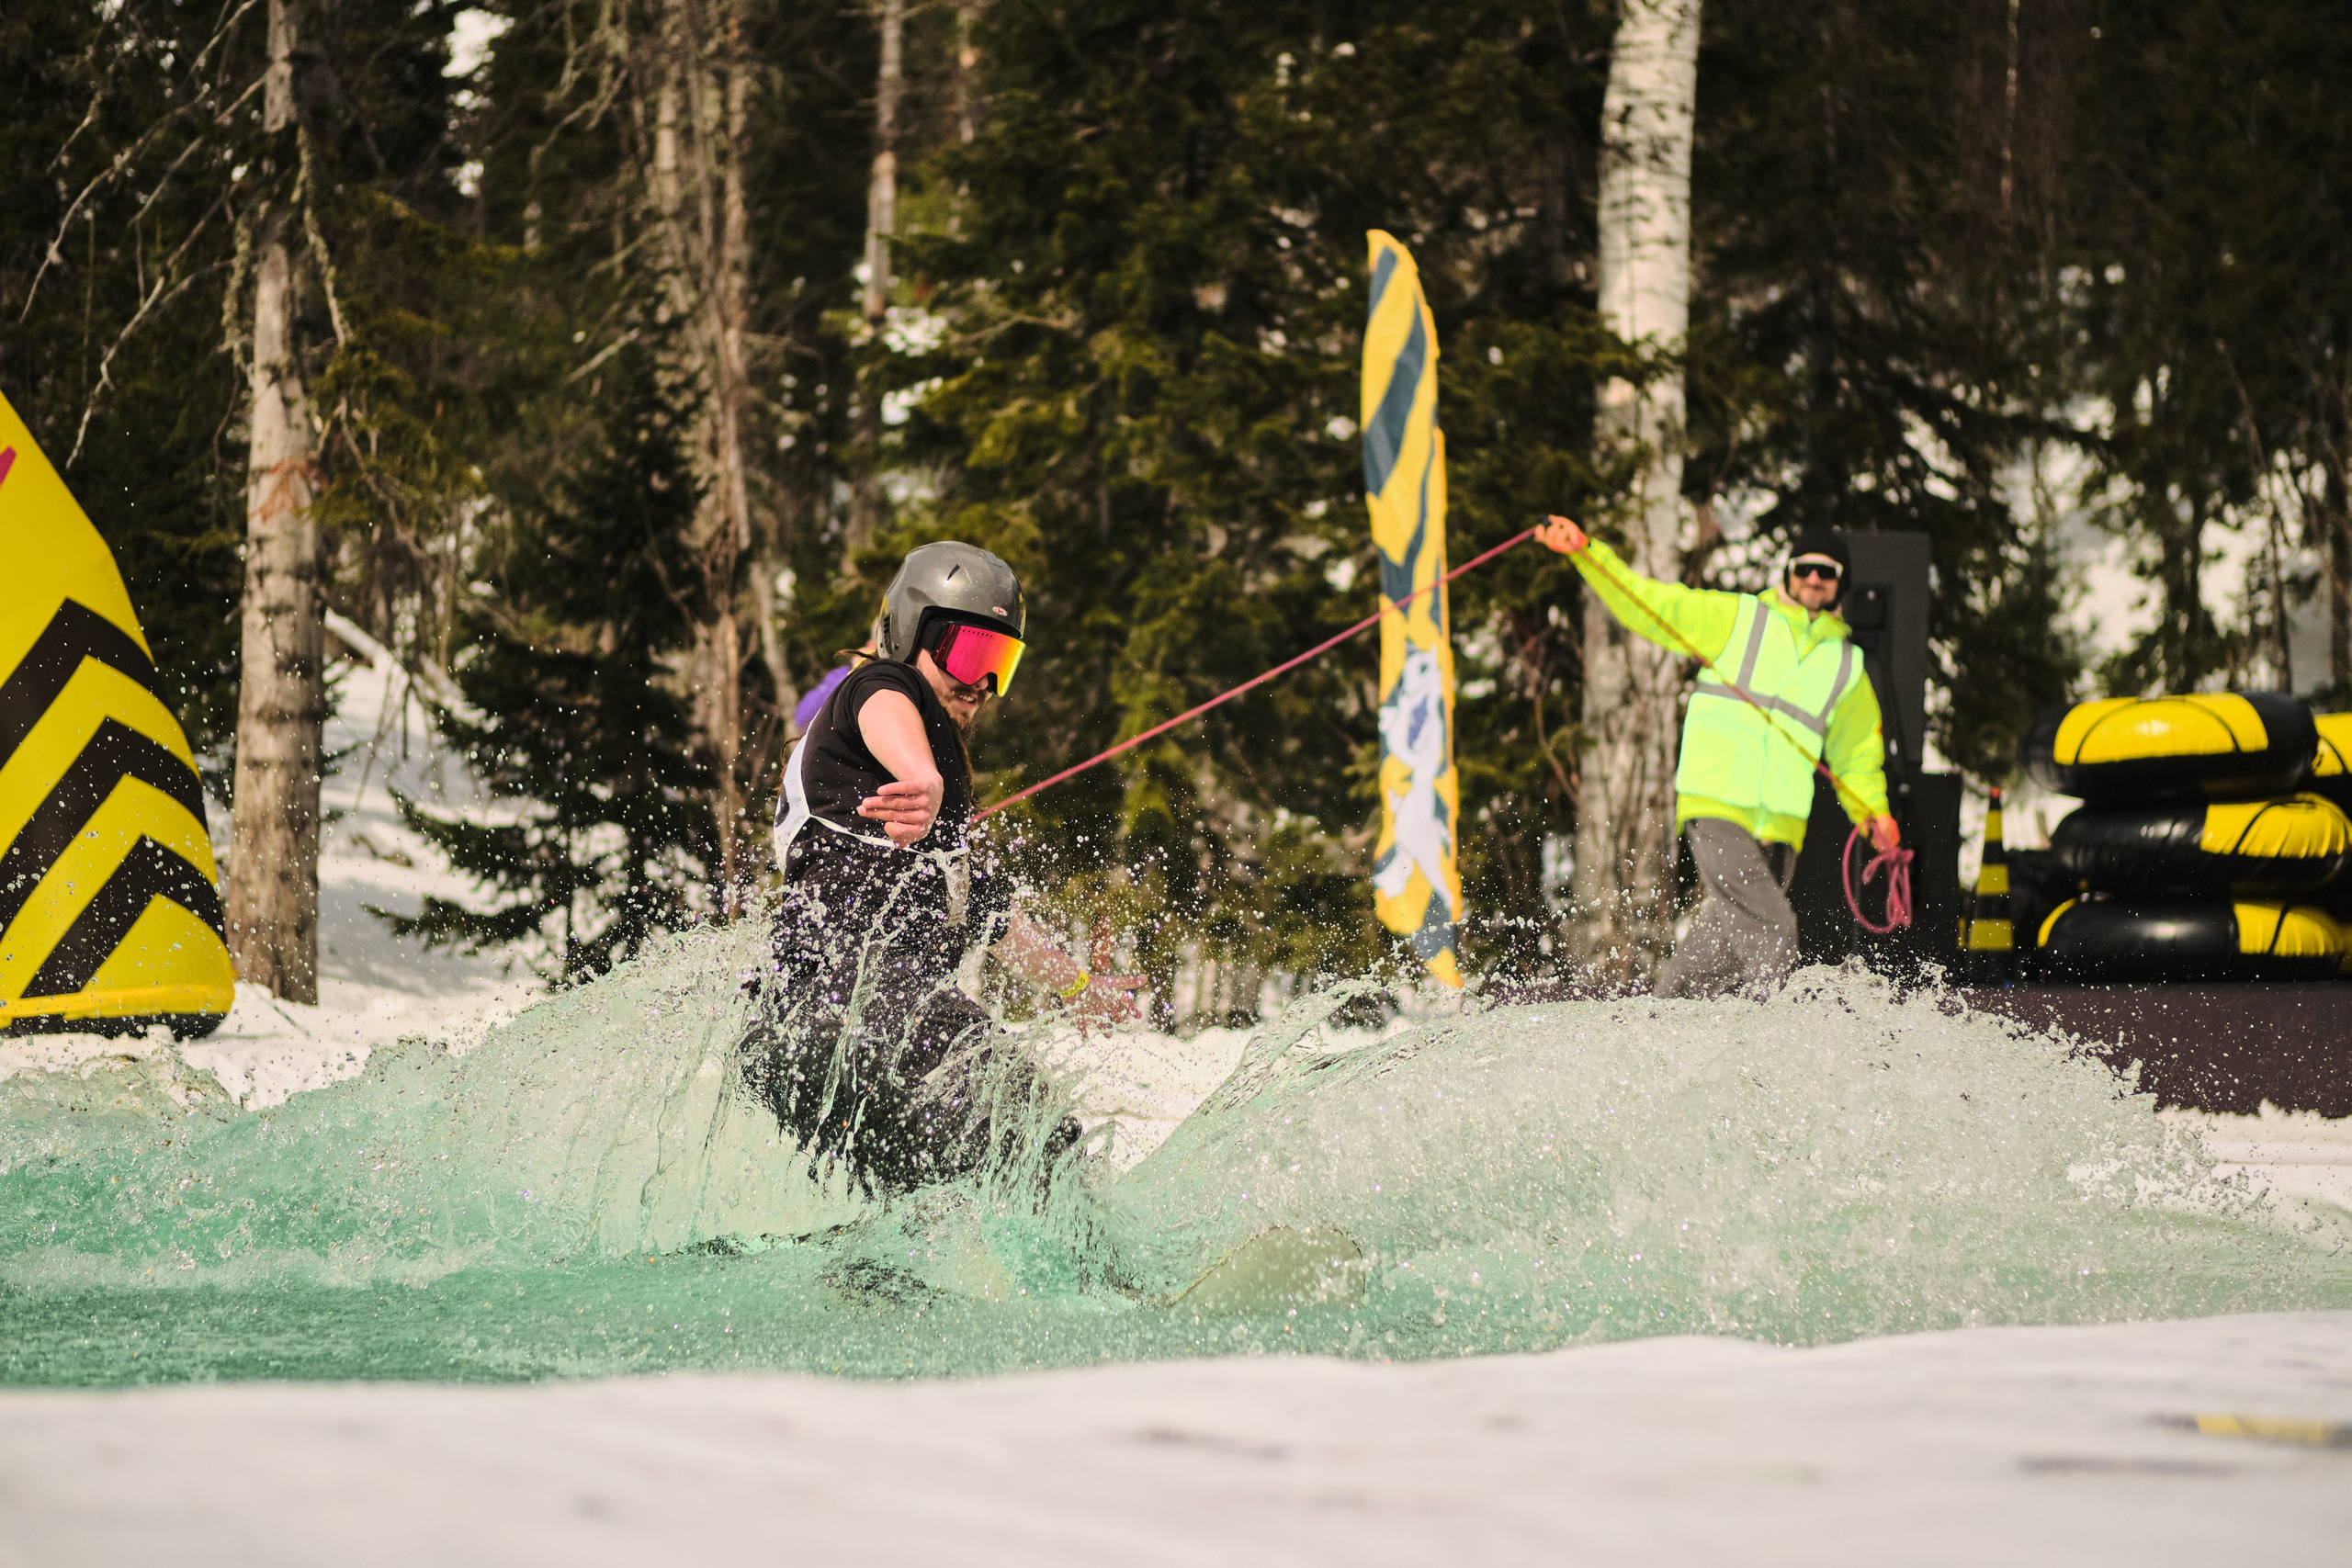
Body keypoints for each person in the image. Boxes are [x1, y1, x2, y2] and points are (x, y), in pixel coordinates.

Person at [744, 541, 1145, 1195]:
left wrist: (1076, 987)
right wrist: (923, 776)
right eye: (967, 653)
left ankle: (882, 1285)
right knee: (1041, 1142)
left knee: (944, 1191)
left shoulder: (916, 829)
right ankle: (1113, 1288)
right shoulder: (879, 689)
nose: (982, 683)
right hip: (854, 1006)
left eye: (1000, 663)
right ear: (908, 630)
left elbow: (989, 913)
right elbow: (884, 704)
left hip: (797, 1034)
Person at [1537, 515, 1899, 998]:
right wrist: (1586, 552)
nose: (1815, 578)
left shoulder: (1847, 665)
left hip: (1782, 829)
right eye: (1806, 567)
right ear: (1789, 571)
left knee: (1715, 957)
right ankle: (1772, 1058)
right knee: (1774, 933)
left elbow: (1857, 755)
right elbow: (1649, 604)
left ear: (1841, 584)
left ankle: (1652, 1036)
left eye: (1827, 572)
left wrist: (1873, 813)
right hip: (1718, 805)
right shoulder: (1739, 618)